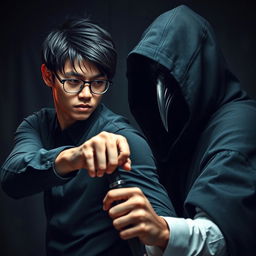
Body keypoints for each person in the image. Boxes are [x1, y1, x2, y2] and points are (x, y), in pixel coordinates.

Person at [0, 16, 175, 256]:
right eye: (73, 81)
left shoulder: (123, 141)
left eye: (98, 83)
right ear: (48, 76)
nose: (86, 94)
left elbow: (165, 232)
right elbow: (12, 179)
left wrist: (157, 227)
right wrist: (76, 157)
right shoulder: (38, 124)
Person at [103, 4, 256, 256]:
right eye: (151, 79)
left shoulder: (240, 127)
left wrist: (163, 232)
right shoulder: (182, 136)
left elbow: (219, 237)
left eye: (170, 76)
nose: (160, 93)